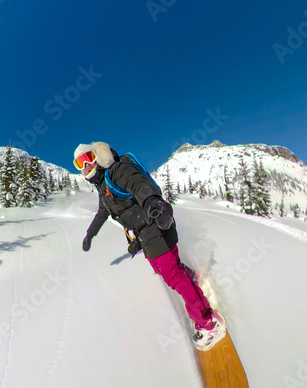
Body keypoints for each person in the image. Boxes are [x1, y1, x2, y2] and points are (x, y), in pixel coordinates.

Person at [74, 142, 224, 349]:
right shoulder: (103, 186)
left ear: (98, 156)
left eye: (88, 158)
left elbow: (140, 185)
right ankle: (191, 279)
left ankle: (208, 324)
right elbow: (103, 212)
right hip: (148, 233)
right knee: (171, 269)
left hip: (155, 224)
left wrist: (154, 203)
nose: (86, 166)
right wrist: (90, 234)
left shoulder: (117, 170)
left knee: (171, 274)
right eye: (79, 163)